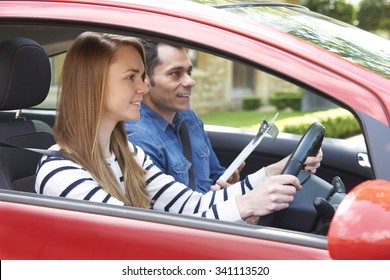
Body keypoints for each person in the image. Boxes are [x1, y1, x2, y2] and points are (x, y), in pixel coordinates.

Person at [35, 31, 319, 223]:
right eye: (131, 77)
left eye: (143, 76)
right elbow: (135, 238)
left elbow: (192, 207)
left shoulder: (127, 154)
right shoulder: (61, 172)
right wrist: (246, 205)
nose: (144, 87)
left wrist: (269, 175)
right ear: (92, 85)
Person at [125, 39, 321, 193]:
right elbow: (175, 214)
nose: (190, 81)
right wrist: (271, 173)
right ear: (145, 80)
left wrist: (229, 182)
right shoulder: (138, 138)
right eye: (176, 74)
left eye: (189, 72)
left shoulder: (189, 119)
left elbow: (214, 175)